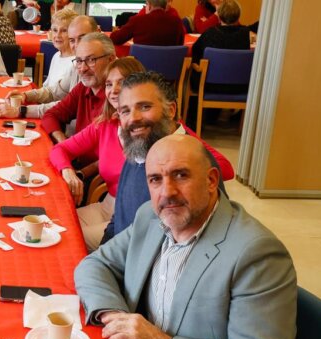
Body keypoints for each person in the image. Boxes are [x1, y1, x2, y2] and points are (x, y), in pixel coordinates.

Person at [74, 134, 309, 339]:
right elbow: (95, 264)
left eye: (181, 175)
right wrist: (117, 320)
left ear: (211, 180)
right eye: (155, 179)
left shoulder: (256, 253)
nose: (167, 192)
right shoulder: (150, 217)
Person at [99, 71, 234, 245]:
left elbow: (207, 240)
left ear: (170, 110)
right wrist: (102, 254)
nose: (133, 118)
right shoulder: (138, 150)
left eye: (145, 107)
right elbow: (118, 219)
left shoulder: (194, 162)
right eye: (125, 111)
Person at [49, 58, 145, 251]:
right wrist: (68, 171)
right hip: (106, 206)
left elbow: (212, 159)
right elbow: (59, 150)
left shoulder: (153, 125)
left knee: (64, 240)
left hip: (134, 220)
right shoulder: (106, 124)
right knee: (51, 225)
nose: (114, 90)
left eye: (122, 82)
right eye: (109, 84)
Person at [0, 8, 78, 119]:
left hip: (58, 117)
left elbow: (67, 106)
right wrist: (25, 95)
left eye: (64, 31)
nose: (57, 35)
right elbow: (50, 92)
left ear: (74, 34)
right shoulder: (56, 56)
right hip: (46, 111)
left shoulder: (77, 64)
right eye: (54, 30)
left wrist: (22, 111)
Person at [41, 31, 115, 144]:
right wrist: (62, 140)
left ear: (111, 60)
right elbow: (51, 115)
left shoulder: (119, 97)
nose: (83, 68)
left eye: (91, 60)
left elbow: (114, 152)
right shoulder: (83, 88)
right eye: (79, 61)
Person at [190, 0, 250, 93]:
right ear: (238, 17)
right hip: (239, 87)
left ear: (219, 16)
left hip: (208, 86)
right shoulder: (245, 34)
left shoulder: (210, 33)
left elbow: (195, 52)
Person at [110, 0, 184, 46]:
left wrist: (115, 31)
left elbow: (116, 39)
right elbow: (180, 45)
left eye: (146, 5)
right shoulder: (177, 22)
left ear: (150, 5)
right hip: (170, 66)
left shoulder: (137, 20)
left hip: (141, 66)